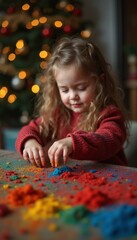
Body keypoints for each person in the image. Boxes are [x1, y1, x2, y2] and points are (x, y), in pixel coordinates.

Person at [15, 36, 129, 168]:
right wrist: (30, 142)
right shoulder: (59, 114)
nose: (72, 96)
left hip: (112, 179)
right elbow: (29, 129)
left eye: (81, 88)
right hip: (75, 180)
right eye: (64, 90)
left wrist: (72, 143)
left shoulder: (109, 113)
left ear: (100, 82)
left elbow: (108, 139)